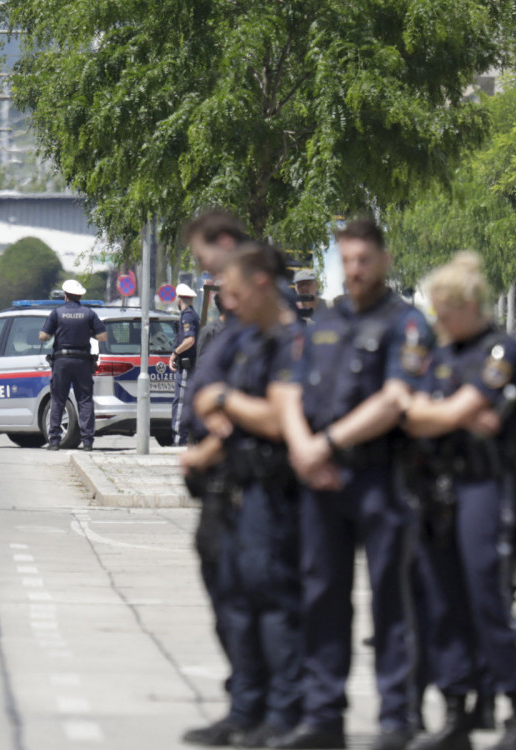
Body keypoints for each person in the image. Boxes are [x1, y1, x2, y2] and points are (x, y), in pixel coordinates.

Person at [274, 217, 435, 750]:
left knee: (393, 599)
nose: (356, 270)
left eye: (365, 260)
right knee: (322, 597)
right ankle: (323, 717)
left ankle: (397, 718)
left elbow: (396, 398)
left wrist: (327, 444)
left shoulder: (406, 323)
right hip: (321, 479)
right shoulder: (324, 320)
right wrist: (302, 447)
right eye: (348, 261)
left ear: (385, 261)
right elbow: (293, 390)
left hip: (381, 478)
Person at [399, 251, 516, 750]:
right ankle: (456, 708)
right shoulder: (441, 350)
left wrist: (437, 411)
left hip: (484, 485)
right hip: (437, 488)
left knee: (486, 597)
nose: (437, 320)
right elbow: (406, 407)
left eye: (443, 311)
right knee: (443, 601)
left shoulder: (497, 352)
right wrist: (443, 413)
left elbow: (459, 409)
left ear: (468, 306)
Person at [190, 242, 305, 748]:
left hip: (273, 489)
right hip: (236, 484)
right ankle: (245, 710)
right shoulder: (253, 341)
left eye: (233, 293)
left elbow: (278, 417)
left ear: (259, 285)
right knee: (237, 598)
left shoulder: (290, 340)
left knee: (272, 601)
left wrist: (225, 401)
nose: (228, 303)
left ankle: (281, 715)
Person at [39, 279, 107, 451]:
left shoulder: (57, 313)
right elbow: (103, 337)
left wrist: (57, 332)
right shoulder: (89, 313)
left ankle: (54, 441)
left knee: (58, 399)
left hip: (61, 361)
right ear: (80, 296)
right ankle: (87, 442)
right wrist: (86, 332)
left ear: (65, 296)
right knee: (84, 400)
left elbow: (43, 336)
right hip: (82, 361)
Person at [172, 283, 201, 447]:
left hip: (186, 366)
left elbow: (190, 340)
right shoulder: (192, 315)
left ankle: (179, 439)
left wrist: (175, 353)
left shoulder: (187, 316)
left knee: (181, 403)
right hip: (188, 366)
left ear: (179, 299)